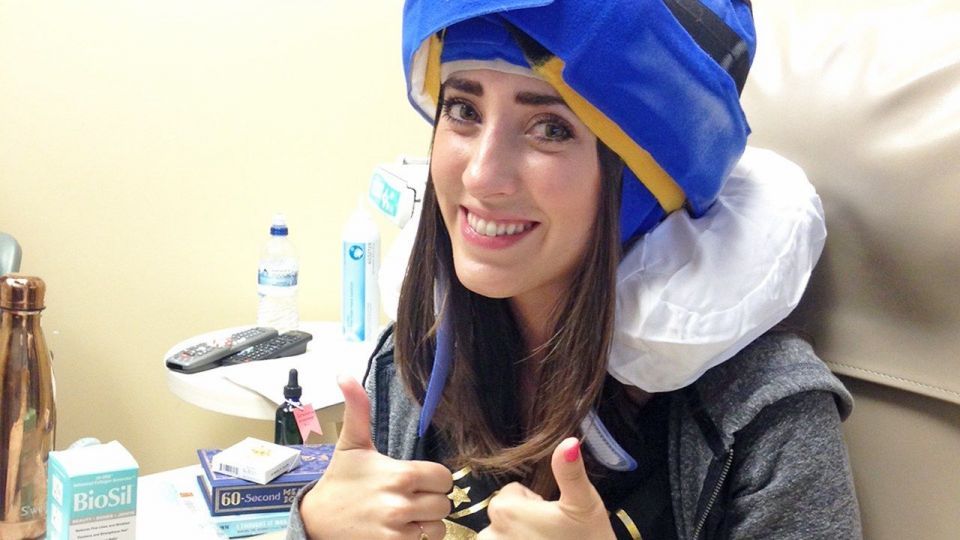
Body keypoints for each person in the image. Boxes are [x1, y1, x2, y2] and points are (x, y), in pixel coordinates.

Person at [290, 1, 862, 538]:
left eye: (550, 128)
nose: (481, 176)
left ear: (641, 181)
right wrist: (313, 525)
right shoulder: (415, 356)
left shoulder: (763, 409)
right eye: (463, 110)